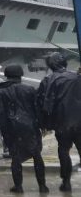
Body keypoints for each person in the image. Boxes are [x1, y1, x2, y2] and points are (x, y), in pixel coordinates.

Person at [0, 64, 48, 194]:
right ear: (21, 75)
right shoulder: (29, 89)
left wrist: (4, 132)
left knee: (16, 158)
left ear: (6, 76)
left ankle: (18, 187)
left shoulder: (1, 91)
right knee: (37, 156)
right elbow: (37, 109)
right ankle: (42, 186)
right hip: (30, 126)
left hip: (12, 128)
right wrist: (42, 125)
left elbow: (0, 114)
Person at [36, 52, 80, 191]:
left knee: (63, 150)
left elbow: (41, 103)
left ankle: (66, 182)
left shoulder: (48, 80)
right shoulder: (77, 76)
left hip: (62, 122)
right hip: (79, 120)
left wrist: (43, 124)